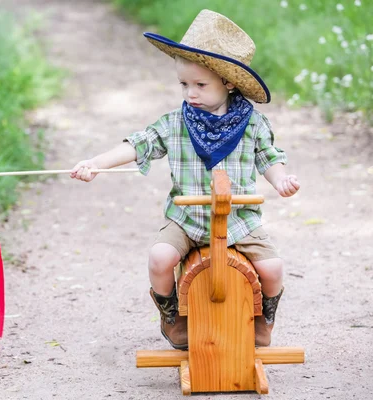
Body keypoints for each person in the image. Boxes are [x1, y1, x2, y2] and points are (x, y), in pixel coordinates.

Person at [70, 10, 300, 348]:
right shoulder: (176, 121)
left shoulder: (252, 123)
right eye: (184, 84)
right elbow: (139, 144)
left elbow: (269, 158)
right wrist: (96, 163)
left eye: (200, 85)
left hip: (239, 219)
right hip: (187, 218)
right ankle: (172, 316)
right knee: (160, 258)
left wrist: (280, 180)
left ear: (229, 82)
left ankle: (263, 320)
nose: (190, 93)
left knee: (274, 268)